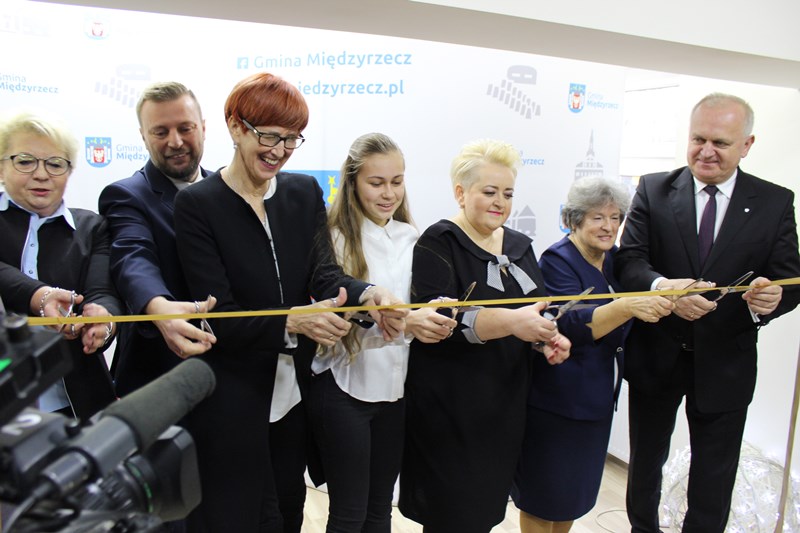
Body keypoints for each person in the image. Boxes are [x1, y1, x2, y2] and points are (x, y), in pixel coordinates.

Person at [172, 72, 407, 533]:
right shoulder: (198, 204)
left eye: (291, 138)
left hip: (293, 396)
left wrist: (368, 294)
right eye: (268, 136)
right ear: (235, 126)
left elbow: (324, 275)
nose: (279, 150)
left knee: (288, 511)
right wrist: (293, 323)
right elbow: (218, 315)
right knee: (238, 516)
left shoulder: (302, 192)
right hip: (232, 395)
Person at [616, 93, 800, 533]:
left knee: (714, 479)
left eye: (720, 142)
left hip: (727, 364)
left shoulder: (774, 201)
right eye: (698, 139)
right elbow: (629, 262)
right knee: (645, 467)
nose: (706, 151)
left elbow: (790, 279)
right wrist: (664, 288)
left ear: (747, 145)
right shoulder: (654, 189)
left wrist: (772, 300)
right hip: (656, 356)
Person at [398, 138, 572, 533]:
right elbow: (440, 320)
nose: (500, 202)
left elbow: (537, 311)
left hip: (504, 405)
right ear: (461, 193)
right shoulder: (439, 242)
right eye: (489, 192)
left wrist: (547, 338)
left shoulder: (520, 246)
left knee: (485, 513)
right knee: (451, 516)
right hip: (451, 408)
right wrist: (512, 323)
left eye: (508, 194)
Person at [308, 133, 456, 533]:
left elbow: (419, 308)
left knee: (380, 512)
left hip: (395, 394)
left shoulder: (413, 237)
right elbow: (338, 322)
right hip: (344, 389)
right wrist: (407, 324)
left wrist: (433, 314)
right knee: (349, 514)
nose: (389, 193)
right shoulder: (334, 238)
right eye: (377, 183)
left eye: (397, 181)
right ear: (353, 182)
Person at [511, 177, 674, 533]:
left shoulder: (614, 260)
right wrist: (627, 306)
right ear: (574, 219)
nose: (608, 227)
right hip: (558, 404)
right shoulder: (558, 259)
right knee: (543, 497)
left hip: (597, 400)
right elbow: (573, 323)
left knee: (573, 497)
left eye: (615, 218)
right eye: (598, 217)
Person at [98, 81, 216, 398]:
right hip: (157, 379)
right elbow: (133, 258)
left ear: (203, 128)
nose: (175, 142)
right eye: (160, 132)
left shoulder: (227, 191)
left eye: (185, 128)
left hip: (233, 379)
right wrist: (160, 308)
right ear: (143, 136)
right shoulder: (126, 195)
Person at [0, 111, 120, 420]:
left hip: (77, 404)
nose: (42, 175)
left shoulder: (92, 227)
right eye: (25, 161)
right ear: (2, 167)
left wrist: (104, 322)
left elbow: (102, 292)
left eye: (55, 164)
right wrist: (40, 296)